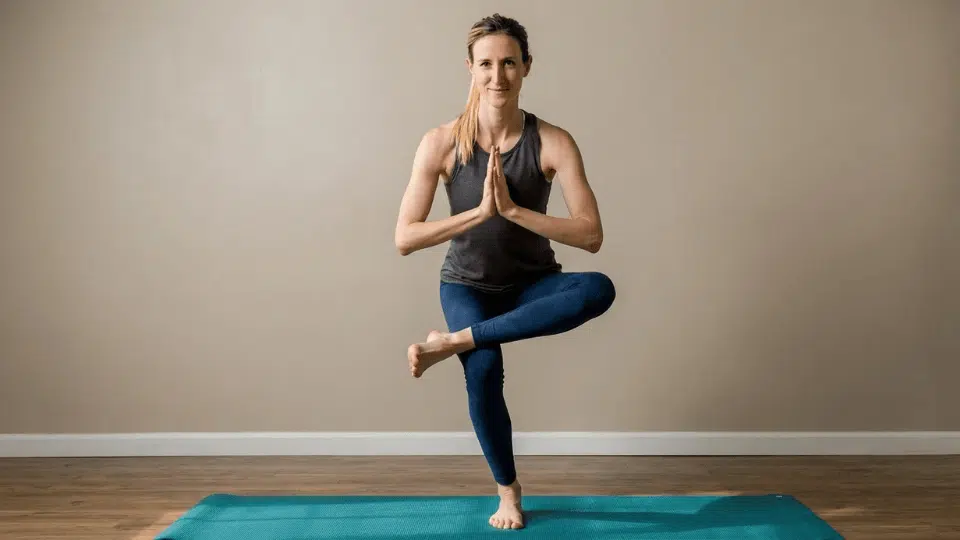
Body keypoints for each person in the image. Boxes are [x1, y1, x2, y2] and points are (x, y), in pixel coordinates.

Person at [393, 13, 616, 531]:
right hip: (466, 286)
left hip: (531, 286)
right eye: (487, 64)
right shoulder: (442, 143)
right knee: (486, 371)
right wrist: (479, 213)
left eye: (510, 63)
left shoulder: (554, 141)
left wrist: (515, 211)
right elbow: (404, 237)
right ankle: (508, 492)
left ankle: (451, 342)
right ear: (470, 69)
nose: (499, 77)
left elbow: (592, 235)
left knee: (596, 289)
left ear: (527, 68)